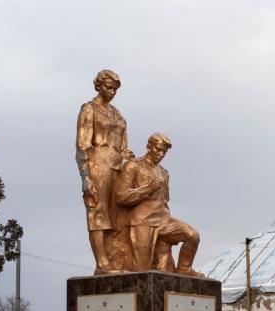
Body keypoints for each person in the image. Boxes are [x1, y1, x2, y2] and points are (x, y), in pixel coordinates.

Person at [115, 133, 202, 276]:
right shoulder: (133, 166)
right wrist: (148, 188)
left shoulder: (164, 173)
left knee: (192, 235)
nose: (161, 154)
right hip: (142, 222)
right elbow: (121, 196)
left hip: (164, 220)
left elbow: (165, 199)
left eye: (164, 152)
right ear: (149, 146)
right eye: (158, 149)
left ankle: (184, 269)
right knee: (141, 272)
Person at [76, 69, 132, 274]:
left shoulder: (117, 114)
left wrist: (130, 158)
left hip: (119, 166)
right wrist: (86, 178)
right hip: (98, 165)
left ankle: (116, 260)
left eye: (115, 89)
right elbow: (82, 146)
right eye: (109, 87)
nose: (112, 92)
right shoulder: (89, 109)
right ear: (98, 86)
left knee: (118, 216)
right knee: (99, 213)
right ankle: (102, 263)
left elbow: (124, 146)